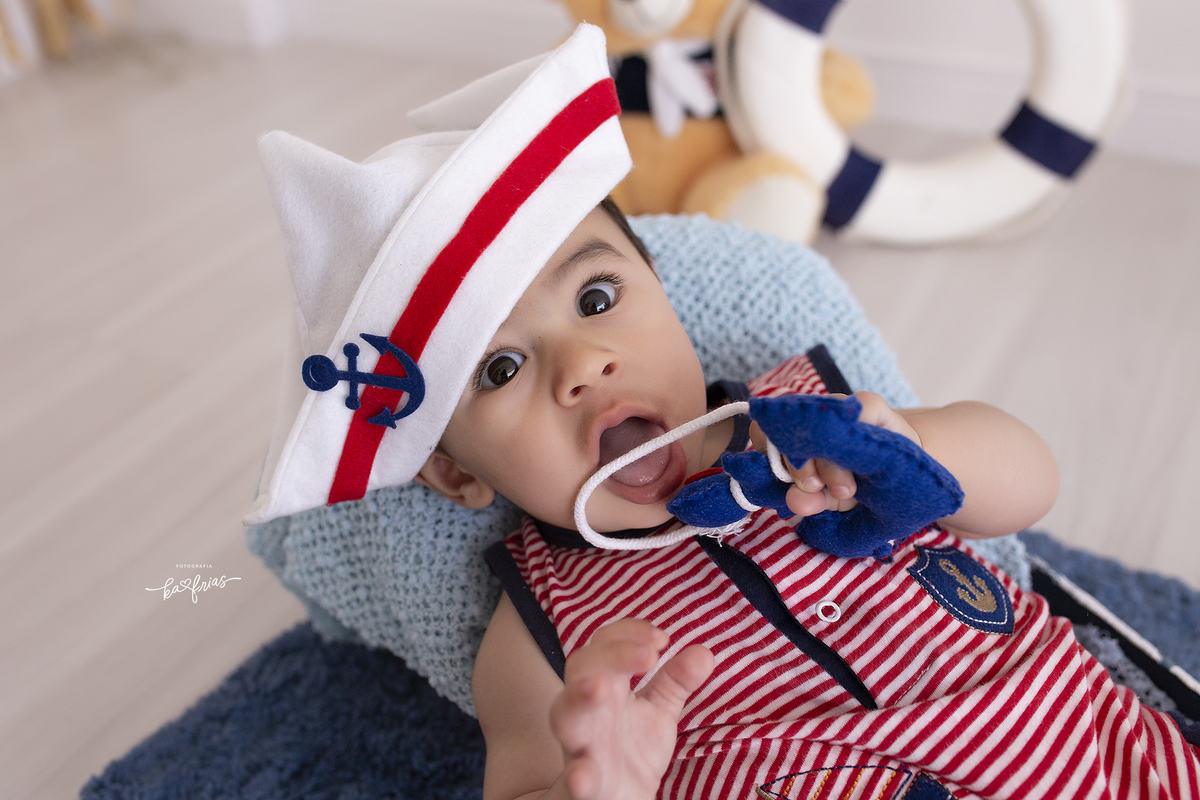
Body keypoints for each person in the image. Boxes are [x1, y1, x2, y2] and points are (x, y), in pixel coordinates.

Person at [248, 24, 1200, 800]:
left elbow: (1030, 484)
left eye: (595, 300)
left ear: (665, 293)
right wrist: (601, 780)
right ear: (454, 471)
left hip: (1106, 758)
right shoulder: (536, 642)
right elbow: (532, 783)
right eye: (498, 367)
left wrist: (916, 446)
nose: (584, 365)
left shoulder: (813, 424)